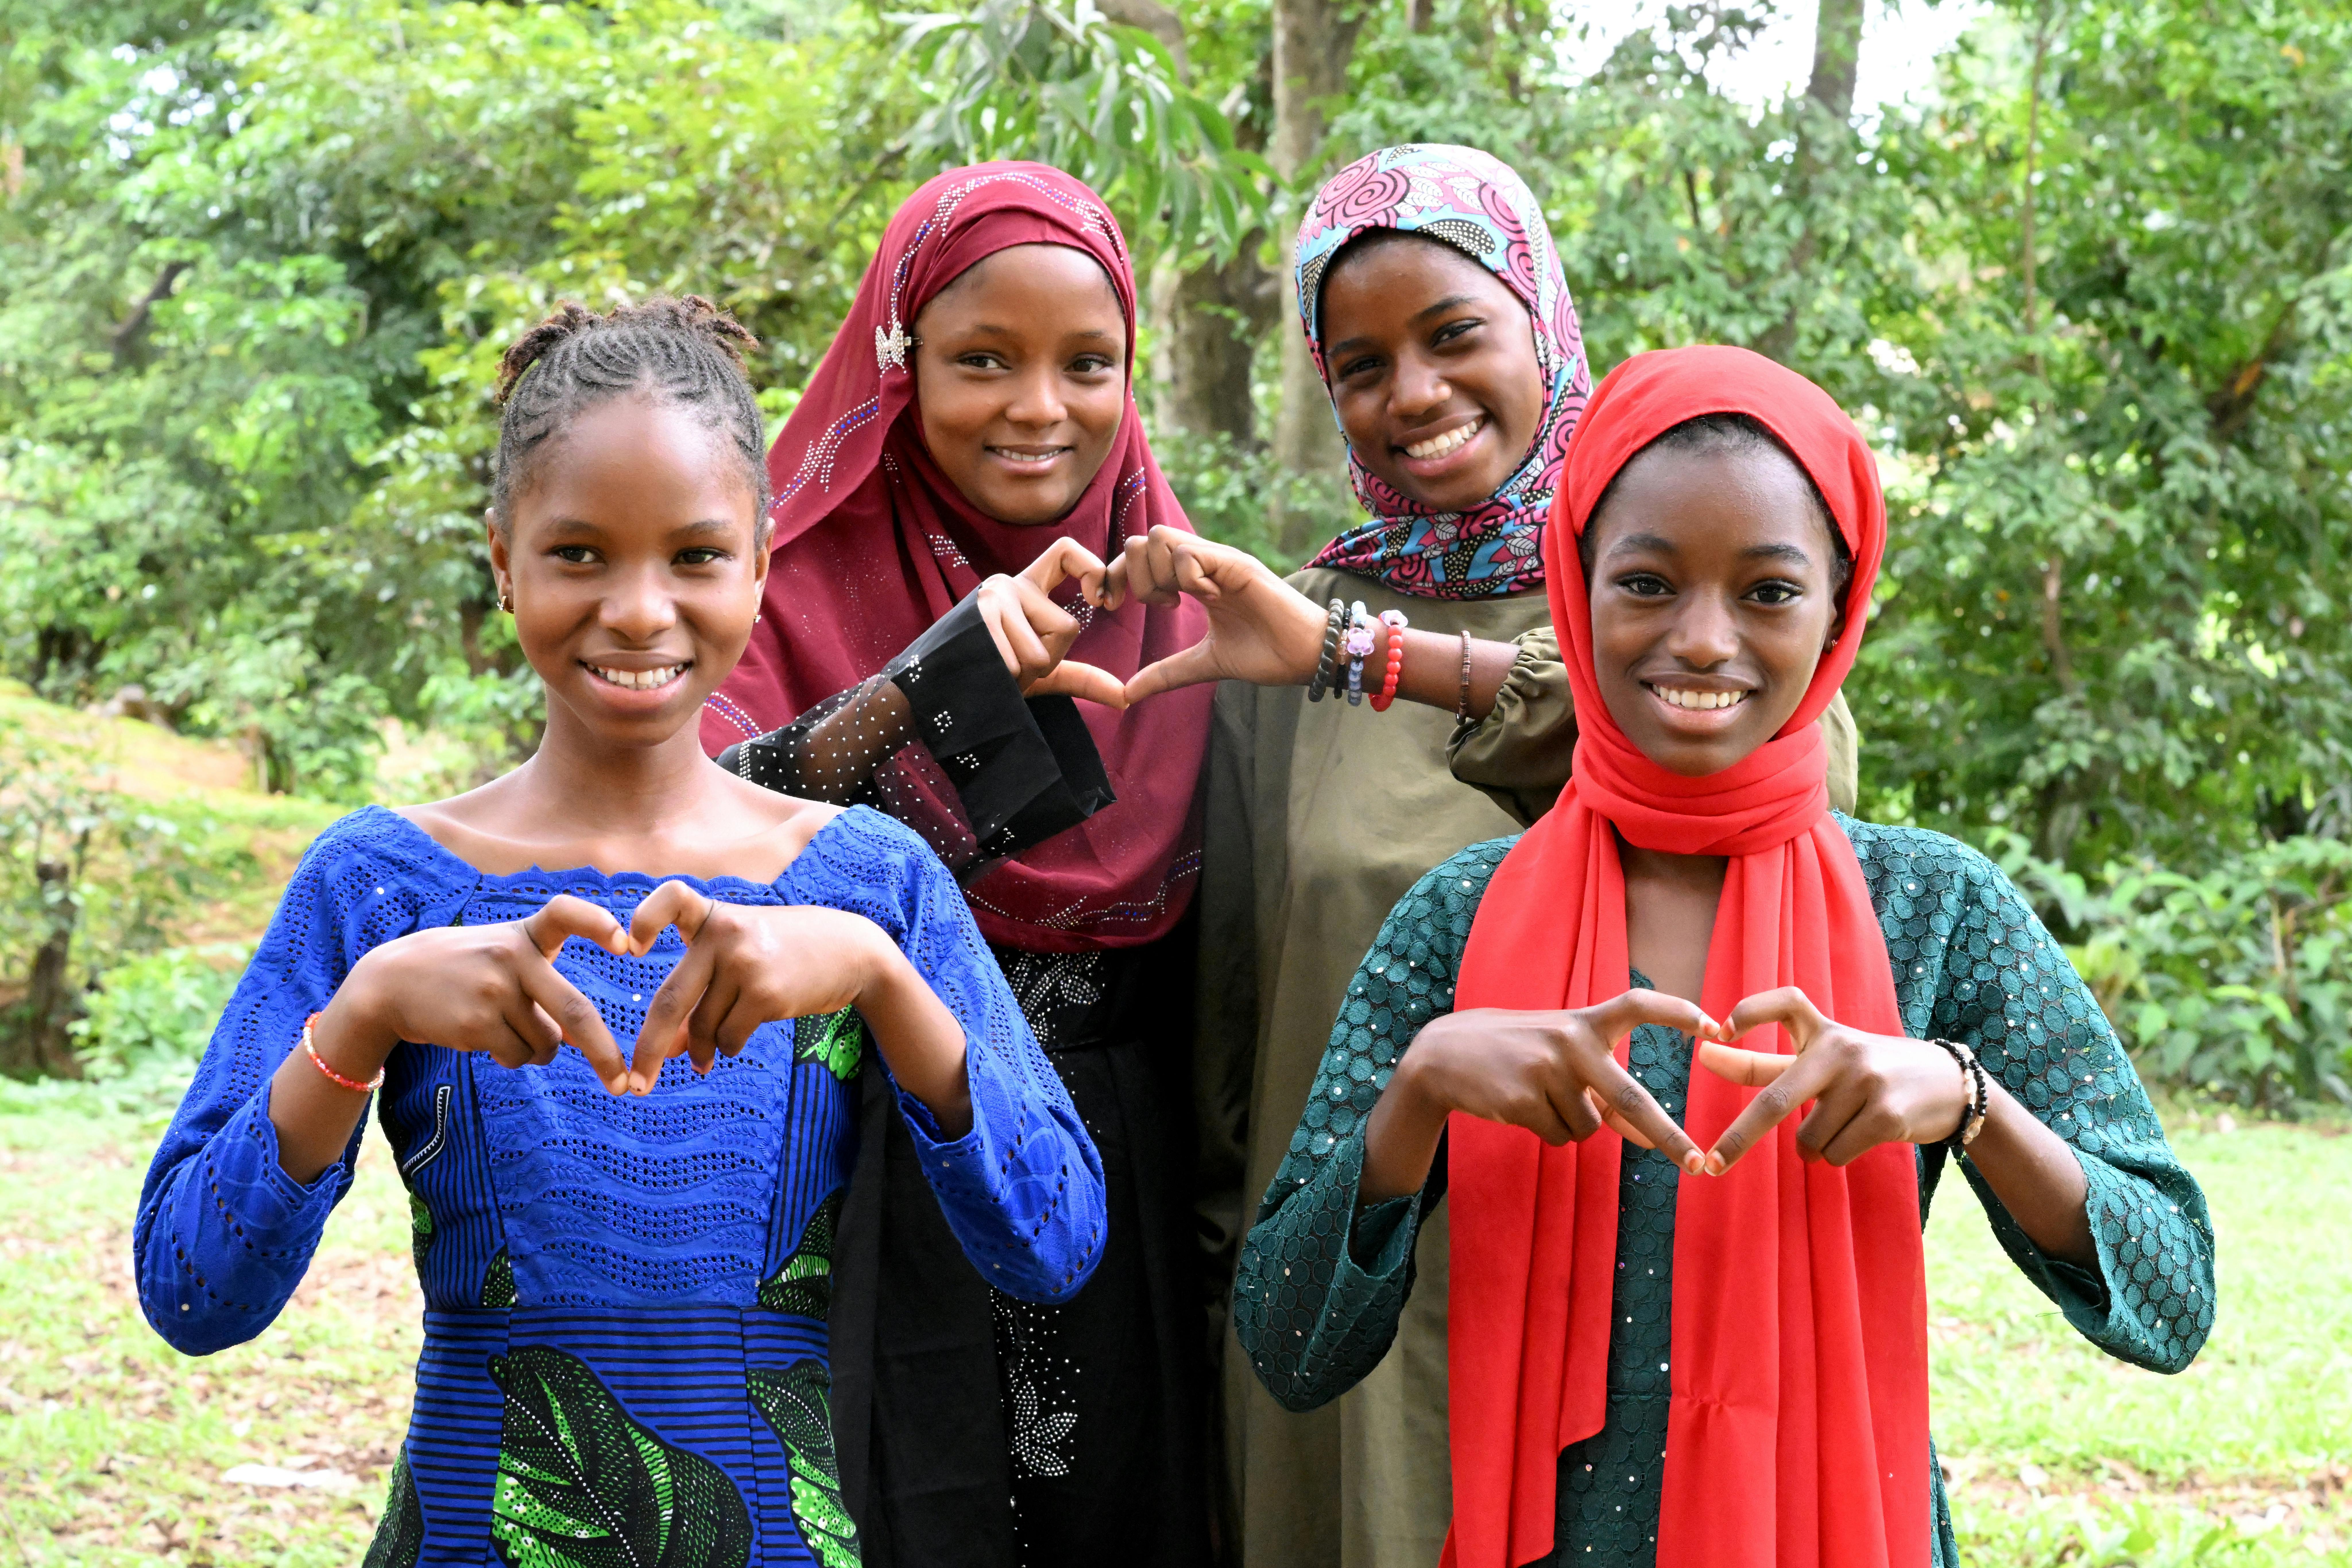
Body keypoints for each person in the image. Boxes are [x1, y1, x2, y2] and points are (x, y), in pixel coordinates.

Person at [133, 297, 1107, 1568]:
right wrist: (362, 1014)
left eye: (694, 556)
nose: (640, 610)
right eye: (580, 553)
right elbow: (192, 1289)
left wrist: (877, 979)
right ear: (502, 560)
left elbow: (1053, 1245)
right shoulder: (379, 888)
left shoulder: (872, 887)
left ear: (762, 559)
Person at [1229, 345, 2214, 1568]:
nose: (1702, 640)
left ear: (1839, 606)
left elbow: (2171, 1297)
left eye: (1765, 592)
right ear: (1573, 588)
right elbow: (1284, 1340)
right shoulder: (1458, 921)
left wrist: (1964, 1097)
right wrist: (1420, 1088)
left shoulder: (1934, 907)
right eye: (1645, 584)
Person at [1098, 145, 1857, 1568]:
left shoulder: (1687, 607)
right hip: (1357, 1294)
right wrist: (1222, 1307)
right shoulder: (1287, 627)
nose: (1414, 395)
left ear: (1542, 324)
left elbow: (1745, 794)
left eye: (1454, 335)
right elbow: (1232, 1029)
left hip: (1638, 1294)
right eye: (1363, 363)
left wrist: (1374, 658)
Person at [696, 164, 1221, 1568]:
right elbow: (692, 819)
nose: (1038, 408)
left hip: (1115, 1160)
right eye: (981, 360)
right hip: (852, 1155)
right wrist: (933, 683)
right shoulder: (779, 581)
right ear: (897, 362)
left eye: (1086, 364)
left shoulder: (1193, 612)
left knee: (1110, 1516)